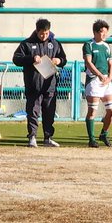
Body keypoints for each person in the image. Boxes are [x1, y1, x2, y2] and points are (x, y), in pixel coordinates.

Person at [12, 18, 66, 147]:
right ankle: (32, 137)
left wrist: (58, 61)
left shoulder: (55, 43)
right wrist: (31, 58)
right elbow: (16, 59)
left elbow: (64, 59)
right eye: (42, 33)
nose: (44, 36)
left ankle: (48, 138)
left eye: (47, 33)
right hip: (33, 85)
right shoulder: (27, 44)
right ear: (37, 31)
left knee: (49, 113)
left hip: (50, 85)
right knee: (33, 113)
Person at [82, 19, 112, 148]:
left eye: (105, 33)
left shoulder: (106, 46)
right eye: (101, 32)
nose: (104, 35)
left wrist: (109, 77)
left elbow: (111, 63)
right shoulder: (89, 45)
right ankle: (91, 139)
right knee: (92, 111)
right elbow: (88, 62)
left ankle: (104, 133)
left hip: (106, 81)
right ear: (95, 32)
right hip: (94, 81)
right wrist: (99, 75)